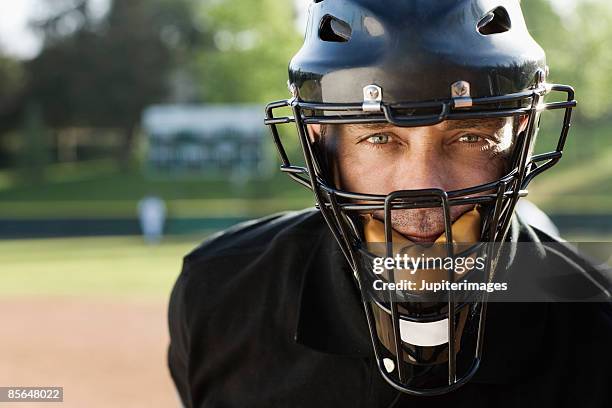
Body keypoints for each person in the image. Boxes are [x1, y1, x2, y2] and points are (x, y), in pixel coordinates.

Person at [168, 1, 612, 407]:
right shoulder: (221, 301)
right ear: (322, 141)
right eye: (379, 138)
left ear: (519, 134)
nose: (422, 188)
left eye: (470, 137)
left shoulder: (596, 330)